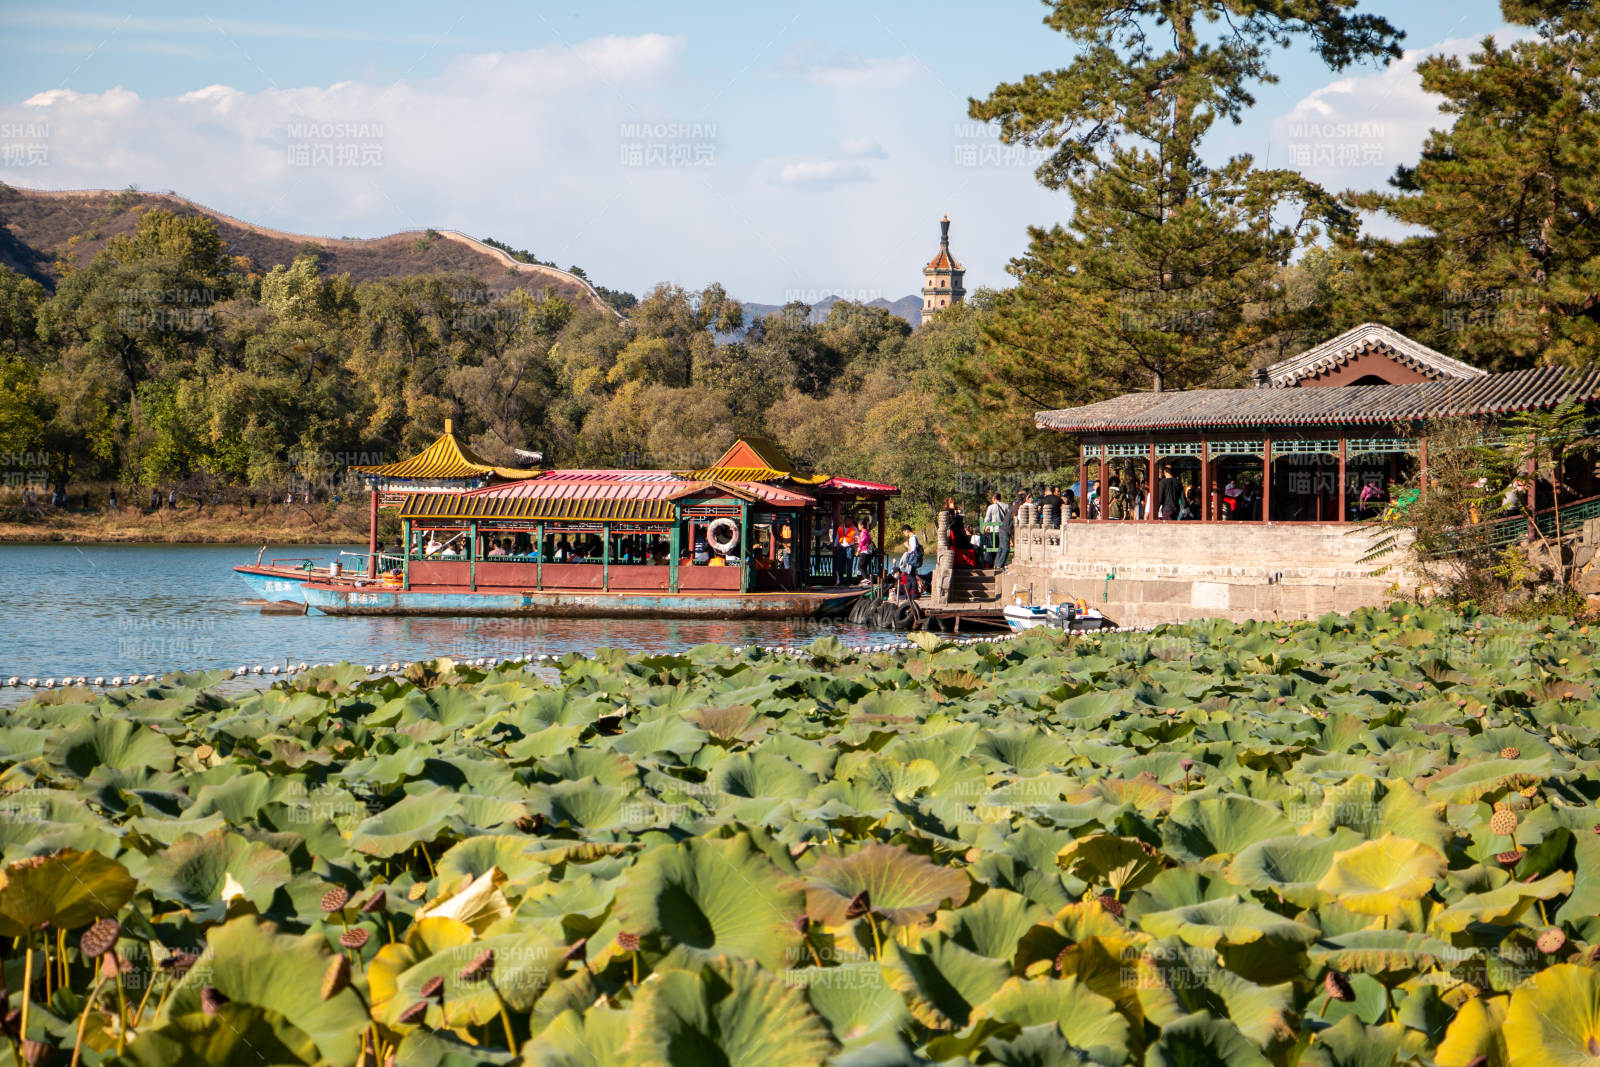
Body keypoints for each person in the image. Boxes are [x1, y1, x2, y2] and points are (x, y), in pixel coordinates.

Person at [984, 491, 1012, 570]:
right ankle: (1000, 563)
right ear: (1000, 498)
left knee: (995, 548)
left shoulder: (991, 507)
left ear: (993, 499)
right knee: (1003, 547)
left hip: (994, 531)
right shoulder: (1006, 506)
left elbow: (987, 519)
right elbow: (1009, 517)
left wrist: (985, 528)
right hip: (1004, 530)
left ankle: (995, 563)